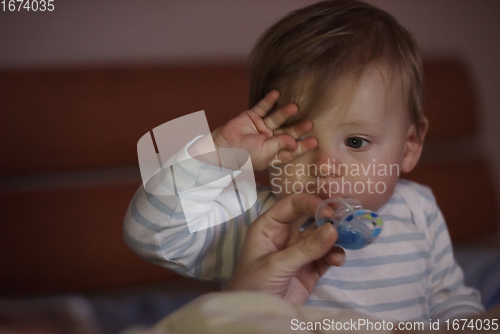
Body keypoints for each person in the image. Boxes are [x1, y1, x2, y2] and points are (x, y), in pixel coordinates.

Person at [123, 0, 484, 322]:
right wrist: (217, 156)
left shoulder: (419, 210)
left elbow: (450, 302)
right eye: (297, 140)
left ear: (409, 146)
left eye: (356, 141)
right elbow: (151, 233)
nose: (324, 165)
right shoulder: (257, 222)